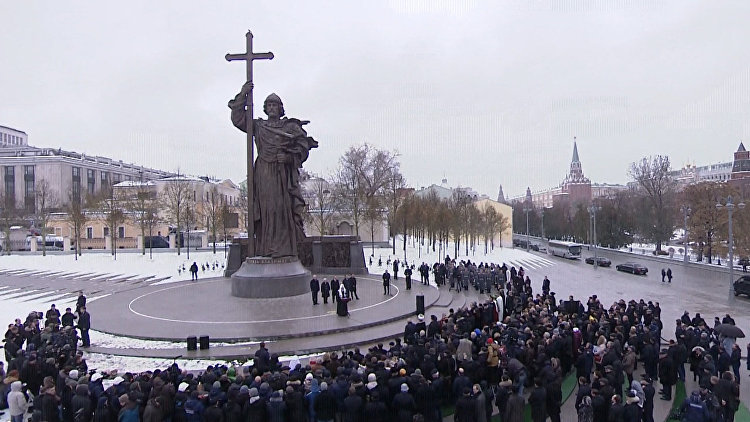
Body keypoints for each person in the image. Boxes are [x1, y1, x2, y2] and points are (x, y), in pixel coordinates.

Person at [229, 85, 318, 258]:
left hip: (281, 172)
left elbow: (303, 147)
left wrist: (289, 158)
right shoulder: (259, 126)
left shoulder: (288, 127)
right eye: (268, 105)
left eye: (274, 105)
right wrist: (243, 95)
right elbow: (238, 119)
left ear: (280, 108)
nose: (271, 108)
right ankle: (265, 248)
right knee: (265, 209)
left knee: (280, 208)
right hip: (263, 172)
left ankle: (282, 249)